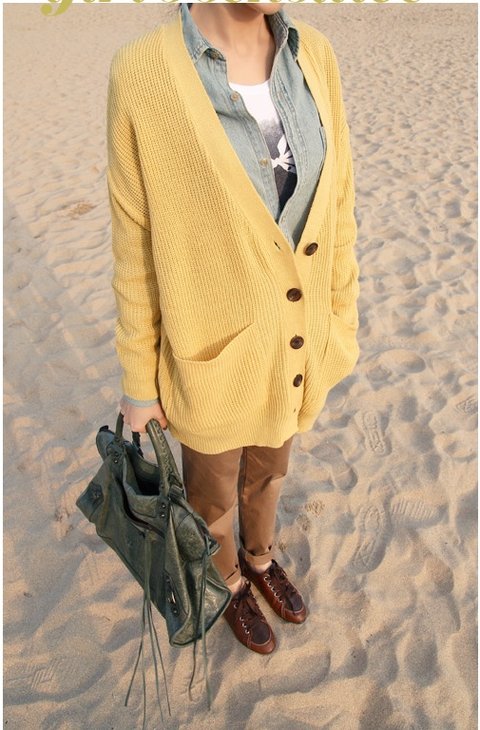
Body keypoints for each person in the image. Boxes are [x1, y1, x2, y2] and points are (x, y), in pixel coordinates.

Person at [108, 1, 359, 655]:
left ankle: (260, 556)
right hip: (211, 353)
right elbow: (135, 246)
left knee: (272, 466)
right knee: (212, 490)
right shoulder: (142, 72)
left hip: (295, 342)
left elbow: (339, 204)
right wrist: (139, 382)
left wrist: (341, 314)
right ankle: (227, 580)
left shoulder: (315, 56)